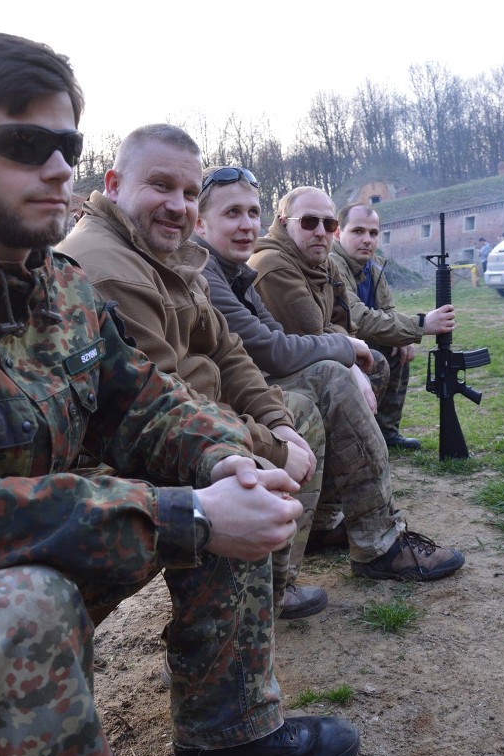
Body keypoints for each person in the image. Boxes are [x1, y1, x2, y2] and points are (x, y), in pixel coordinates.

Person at [0, 33, 359, 756]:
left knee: (220, 474)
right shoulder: (85, 266)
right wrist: (193, 516)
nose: (57, 167)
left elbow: (143, 397)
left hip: (41, 553)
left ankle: (230, 735)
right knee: (19, 610)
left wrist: (226, 461)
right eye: (25, 145)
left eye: (67, 145)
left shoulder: (55, 290)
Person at [60, 124, 327, 620]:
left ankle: (272, 591)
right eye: (160, 185)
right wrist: (268, 446)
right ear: (114, 184)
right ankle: (226, 670)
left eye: (188, 192)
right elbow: (158, 403)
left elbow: (227, 348)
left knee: (298, 414)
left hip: (198, 420)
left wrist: (277, 421)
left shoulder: (169, 254)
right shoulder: (109, 267)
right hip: (132, 450)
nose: (178, 205)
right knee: (239, 482)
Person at [195, 168, 466, 584]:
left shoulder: (238, 272)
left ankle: (331, 525)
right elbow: (279, 346)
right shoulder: (258, 266)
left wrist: (355, 344)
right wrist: (347, 351)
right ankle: (379, 541)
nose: (246, 224)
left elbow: (339, 322)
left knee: (357, 366)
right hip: (212, 401)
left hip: (241, 384)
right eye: (232, 213)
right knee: (332, 379)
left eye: (252, 212)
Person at [329, 202, 456, 450]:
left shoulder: (374, 265)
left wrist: (405, 336)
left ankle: (387, 431)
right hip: (336, 340)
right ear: (338, 233)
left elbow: (387, 310)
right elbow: (358, 319)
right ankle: (360, 435)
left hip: (359, 339)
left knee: (401, 347)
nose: (367, 240)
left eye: (373, 233)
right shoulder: (333, 264)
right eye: (358, 231)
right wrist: (421, 325)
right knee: (393, 343)